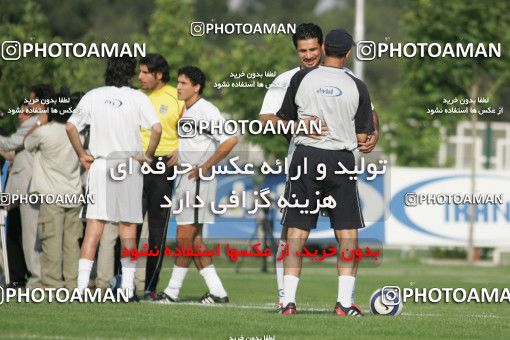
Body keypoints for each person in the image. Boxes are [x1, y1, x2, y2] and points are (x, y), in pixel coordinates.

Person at [259, 23, 379, 312]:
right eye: (304, 50)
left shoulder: (301, 80)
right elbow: (364, 131)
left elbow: (283, 116)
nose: (310, 54)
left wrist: (302, 125)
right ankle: (344, 302)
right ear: (348, 53)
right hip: (339, 159)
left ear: (324, 49)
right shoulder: (355, 84)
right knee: (347, 232)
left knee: (296, 231)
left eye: (314, 49)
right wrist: (366, 135)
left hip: (305, 158)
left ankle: (288, 301)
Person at [66, 57, 162, 301]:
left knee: (93, 231)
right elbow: (157, 129)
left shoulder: (93, 95)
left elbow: (70, 127)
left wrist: (82, 154)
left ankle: (80, 291)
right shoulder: (139, 98)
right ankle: (128, 290)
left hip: (100, 165)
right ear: (130, 74)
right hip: (128, 166)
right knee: (128, 231)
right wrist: (147, 156)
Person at [156, 66, 238, 304]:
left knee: (184, 237)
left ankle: (172, 292)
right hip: (186, 179)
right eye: (178, 83)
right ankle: (218, 292)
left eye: (183, 83)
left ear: (196, 87)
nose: (178, 87)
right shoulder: (188, 110)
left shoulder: (206, 110)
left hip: (197, 181)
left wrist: (206, 165)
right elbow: (197, 142)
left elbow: (231, 139)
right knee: (194, 240)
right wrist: (179, 153)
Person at [24, 89, 84, 289]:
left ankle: (52, 285)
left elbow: (26, 144)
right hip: (74, 195)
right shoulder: (80, 135)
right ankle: (72, 284)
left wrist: (40, 121)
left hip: (51, 197)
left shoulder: (44, 133)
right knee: (71, 244)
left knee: (51, 243)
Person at [137, 53, 184, 300]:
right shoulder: (136, 97)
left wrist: (181, 149)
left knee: (157, 229)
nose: (140, 77)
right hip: (135, 164)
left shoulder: (177, 97)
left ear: (159, 75)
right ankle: (121, 283)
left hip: (162, 166)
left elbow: (194, 128)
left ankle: (149, 288)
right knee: (129, 226)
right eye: (140, 72)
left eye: (145, 72)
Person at [0, 85, 55, 289]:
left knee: (32, 236)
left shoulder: (35, 122)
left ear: (41, 102)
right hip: (29, 186)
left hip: (27, 187)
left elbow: (11, 143)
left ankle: (37, 281)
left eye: (32, 101)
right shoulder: (42, 121)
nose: (29, 104)